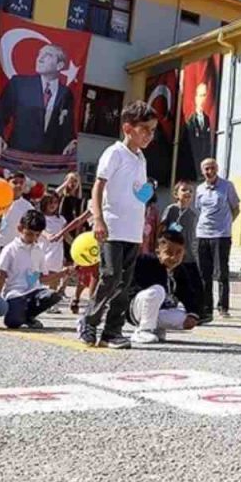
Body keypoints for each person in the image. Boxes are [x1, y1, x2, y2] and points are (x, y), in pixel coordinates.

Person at [77, 100, 157, 349]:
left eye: (152, 130)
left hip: (132, 231)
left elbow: (136, 194)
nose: (149, 135)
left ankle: (112, 331)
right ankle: (89, 321)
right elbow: (99, 186)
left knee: (124, 283)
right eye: (145, 128)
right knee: (110, 276)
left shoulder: (141, 159)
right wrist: (98, 218)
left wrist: (147, 192)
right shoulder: (115, 153)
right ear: (127, 128)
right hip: (112, 227)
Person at [0, 44, 77, 157]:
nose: (40, 59)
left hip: (48, 161)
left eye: (48, 55)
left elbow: (66, 126)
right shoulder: (19, 84)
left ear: (59, 65)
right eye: (39, 54)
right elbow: (0, 113)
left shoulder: (66, 93)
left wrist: (71, 142)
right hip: (17, 156)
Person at [0, 210, 68, 329]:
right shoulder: (10, 249)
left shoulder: (38, 251)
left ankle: (28, 316)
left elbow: (43, 278)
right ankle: (20, 314)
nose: (33, 238)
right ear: (20, 228)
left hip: (33, 292)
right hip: (15, 293)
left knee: (53, 295)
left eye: (37, 235)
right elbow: (1, 274)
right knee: (13, 323)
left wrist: (63, 273)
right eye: (29, 234)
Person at [127, 230, 202, 344]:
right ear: (158, 252)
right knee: (157, 290)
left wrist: (193, 314)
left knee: (184, 318)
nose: (174, 257)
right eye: (169, 252)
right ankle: (143, 330)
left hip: (160, 310)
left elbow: (188, 294)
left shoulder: (180, 270)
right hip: (138, 308)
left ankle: (156, 328)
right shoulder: (145, 262)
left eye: (178, 253)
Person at [195, 158, 241, 319]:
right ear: (202, 171)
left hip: (221, 235)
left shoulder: (227, 186)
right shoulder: (200, 189)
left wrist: (226, 224)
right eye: (206, 169)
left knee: (221, 273)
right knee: (204, 273)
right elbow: (199, 210)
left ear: (217, 168)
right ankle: (206, 307)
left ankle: (223, 307)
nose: (210, 171)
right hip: (203, 234)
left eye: (212, 168)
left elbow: (236, 208)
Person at [160, 180, 206, 323]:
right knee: (172, 282)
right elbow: (162, 227)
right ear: (176, 194)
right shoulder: (171, 210)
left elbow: (194, 234)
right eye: (184, 190)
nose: (187, 193)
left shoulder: (193, 214)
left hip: (188, 255)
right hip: (172, 254)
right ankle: (166, 307)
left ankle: (198, 312)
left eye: (190, 191)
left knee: (196, 283)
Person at [37, 192, 67, 313]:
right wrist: (47, 235)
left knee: (55, 276)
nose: (53, 205)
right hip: (43, 248)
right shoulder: (40, 217)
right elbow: (40, 230)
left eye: (55, 202)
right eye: (50, 202)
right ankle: (38, 298)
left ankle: (51, 302)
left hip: (57, 250)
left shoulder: (61, 219)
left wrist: (75, 244)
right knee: (41, 275)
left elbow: (66, 234)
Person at [184, 83, 215, 179]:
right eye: (201, 95)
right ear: (196, 97)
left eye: (205, 95)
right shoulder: (190, 121)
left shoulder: (208, 119)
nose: (203, 99)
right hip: (193, 164)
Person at [0, 171, 35, 246]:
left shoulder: (28, 208)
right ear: (7, 183)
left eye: (21, 183)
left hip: (13, 248)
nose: (18, 185)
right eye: (15, 182)